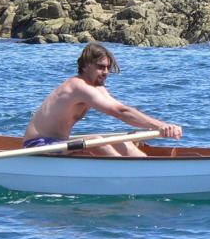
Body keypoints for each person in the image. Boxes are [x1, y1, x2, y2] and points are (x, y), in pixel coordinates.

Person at [23, 43, 182, 156]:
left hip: (59, 144)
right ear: (85, 66)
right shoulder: (77, 87)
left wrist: (158, 127)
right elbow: (120, 113)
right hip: (39, 146)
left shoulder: (96, 88)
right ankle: (131, 176)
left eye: (108, 68)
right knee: (98, 140)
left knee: (121, 141)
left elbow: (123, 109)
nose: (105, 72)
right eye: (100, 67)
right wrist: (161, 126)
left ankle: (147, 171)